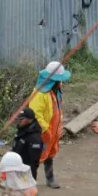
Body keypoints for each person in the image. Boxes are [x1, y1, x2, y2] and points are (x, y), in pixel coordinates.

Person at [29, 60, 70, 188]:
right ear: (54, 81)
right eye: (59, 80)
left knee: (49, 155)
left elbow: (57, 111)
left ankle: (50, 178)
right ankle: (29, 181)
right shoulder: (40, 94)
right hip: (43, 132)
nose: (61, 83)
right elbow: (35, 114)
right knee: (35, 157)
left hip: (52, 132)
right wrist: (45, 130)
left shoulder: (55, 92)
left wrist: (57, 129)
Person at [12, 107, 44, 180]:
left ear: (29, 119)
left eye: (21, 119)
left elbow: (33, 162)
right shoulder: (22, 131)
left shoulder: (35, 138)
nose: (19, 121)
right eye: (18, 119)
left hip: (26, 175)